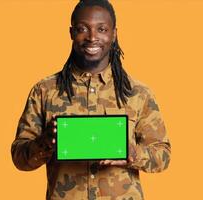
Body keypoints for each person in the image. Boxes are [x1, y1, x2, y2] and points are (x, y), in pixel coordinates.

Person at [11, 0, 171, 199]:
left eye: (102, 29)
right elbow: (18, 157)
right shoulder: (44, 91)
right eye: (82, 29)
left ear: (114, 34)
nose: (92, 37)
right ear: (71, 33)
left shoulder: (139, 93)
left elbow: (163, 156)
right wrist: (44, 141)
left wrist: (133, 153)